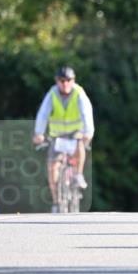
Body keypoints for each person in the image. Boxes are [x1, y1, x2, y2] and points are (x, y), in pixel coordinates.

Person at [33, 65, 94, 213]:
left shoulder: (79, 93)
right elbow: (43, 114)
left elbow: (86, 113)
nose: (65, 83)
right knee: (52, 166)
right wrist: (39, 133)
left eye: (69, 80)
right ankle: (56, 201)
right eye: (62, 80)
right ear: (57, 81)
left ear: (73, 80)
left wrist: (88, 132)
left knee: (80, 145)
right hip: (57, 136)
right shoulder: (52, 94)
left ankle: (78, 175)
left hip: (75, 133)